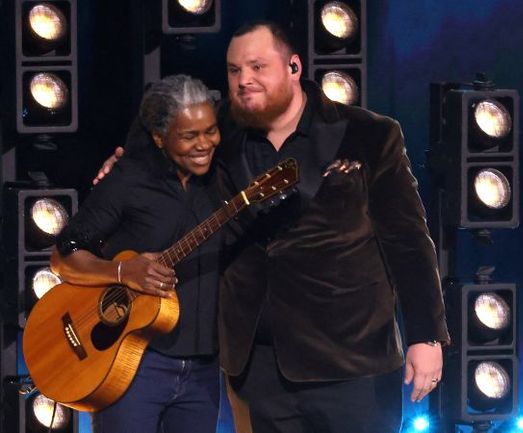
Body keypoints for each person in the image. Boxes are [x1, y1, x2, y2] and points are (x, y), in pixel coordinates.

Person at [98, 20, 450, 433]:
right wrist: (123, 168)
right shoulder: (218, 133)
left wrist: (426, 335)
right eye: (234, 70)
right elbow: (155, 132)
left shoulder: (369, 133)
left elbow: (408, 240)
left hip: (353, 360)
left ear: (294, 67)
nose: (244, 80)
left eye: (257, 67)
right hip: (259, 363)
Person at [53, 74, 222, 433]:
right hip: (133, 365)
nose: (204, 144)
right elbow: (65, 255)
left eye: (211, 131)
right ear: (160, 137)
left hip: (203, 372)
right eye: (190, 135)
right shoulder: (128, 180)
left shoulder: (222, 178)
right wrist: (121, 272)